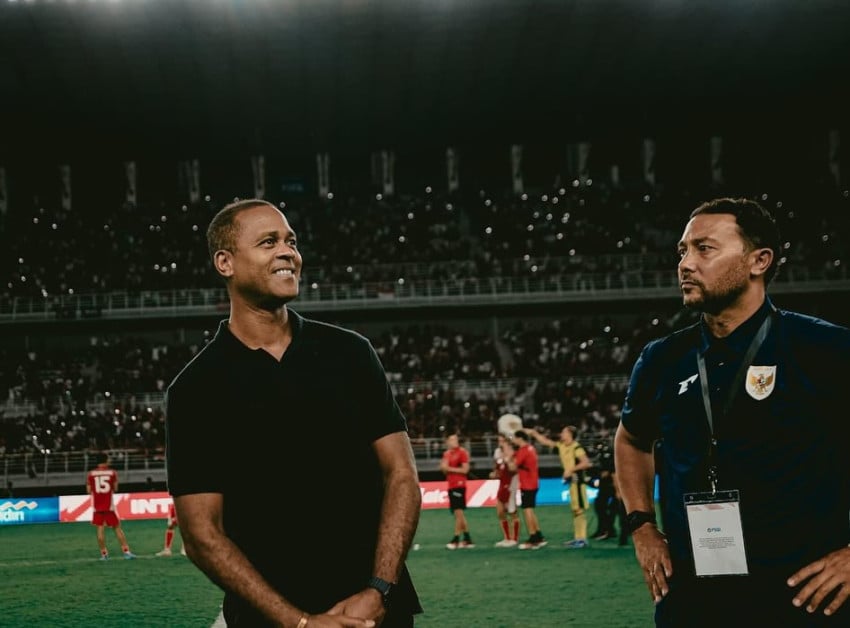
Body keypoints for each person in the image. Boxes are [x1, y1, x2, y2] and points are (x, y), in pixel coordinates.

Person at [165, 199, 423, 628]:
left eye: (291, 241)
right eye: (268, 242)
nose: (289, 253)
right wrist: (299, 622)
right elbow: (201, 534)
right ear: (225, 262)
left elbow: (401, 475)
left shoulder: (350, 354)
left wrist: (378, 590)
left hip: (375, 614)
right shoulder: (195, 389)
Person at [614, 197, 850, 627]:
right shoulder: (662, 359)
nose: (686, 263)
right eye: (682, 251)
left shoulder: (826, 350)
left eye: (704, 249)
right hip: (693, 597)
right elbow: (630, 439)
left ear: (759, 261)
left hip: (804, 598)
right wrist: (642, 526)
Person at [524, 425, 592, 548]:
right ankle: (578, 538)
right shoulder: (561, 446)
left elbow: (586, 463)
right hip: (571, 482)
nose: (561, 434)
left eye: (564, 432)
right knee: (575, 510)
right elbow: (546, 442)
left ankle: (582, 539)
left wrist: (571, 470)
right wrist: (534, 433)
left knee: (579, 510)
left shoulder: (576, 447)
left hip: (578, 482)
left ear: (570, 434)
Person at [86, 452, 136, 560]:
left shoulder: (91, 474)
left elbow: (89, 490)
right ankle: (126, 552)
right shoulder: (112, 472)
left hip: (97, 506)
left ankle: (104, 554)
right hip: (109, 505)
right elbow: (115, 488)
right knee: (117, 528)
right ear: (105, 460)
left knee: (100, 529)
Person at [510, 430, 547, 550]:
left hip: (527, 484)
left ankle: (533, 538)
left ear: (520, 438)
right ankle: (538, 535)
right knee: (530, 510)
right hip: (533, 483)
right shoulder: (531, 448)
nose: (513, 440)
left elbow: (512, 467)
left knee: (527, 511)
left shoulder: (523, 451)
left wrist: (508, 459)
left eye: (515, 438)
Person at [440, 433, 475, 549]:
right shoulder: (447, 454)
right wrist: (446, 469)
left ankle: (456, 538)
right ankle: (467, 537)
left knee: (458, 512)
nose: (453, 441)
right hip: (451, 485)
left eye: (455, 439)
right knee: (458, 513)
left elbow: (465, 470)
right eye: (451, 440)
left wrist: (448, 468)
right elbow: (443, 469)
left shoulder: (462, 453)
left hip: (459, 485)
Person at [490, 433, 520, 547]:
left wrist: (507, 460)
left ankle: (514, 539)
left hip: (511, 484)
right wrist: (494, 474)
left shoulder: (513, 454)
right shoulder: (499, 454)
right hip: (502, 484)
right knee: (500, 511)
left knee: (512, 512)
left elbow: (514, 469)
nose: (500, 443)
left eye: (502, 441)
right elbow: (498, 470)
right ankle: (507, 538)